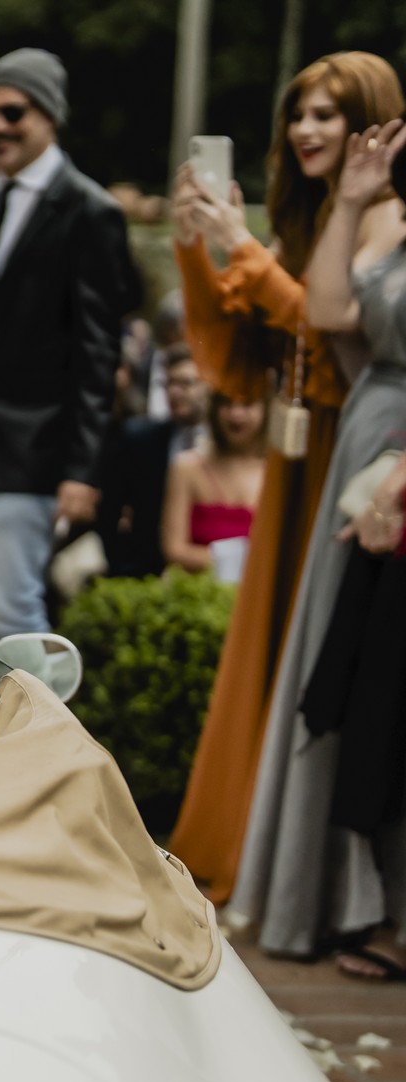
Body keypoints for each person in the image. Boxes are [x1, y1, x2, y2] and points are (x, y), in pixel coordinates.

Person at [165, 52, 404, 906]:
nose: (305, 129)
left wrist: (245, 254)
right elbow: (242, 364)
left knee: (326, 656)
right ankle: (253, 846)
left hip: (358, 452)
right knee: (270, 645)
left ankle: (326, 882)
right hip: (300, 455)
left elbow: (344, 338)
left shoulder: (387, 217)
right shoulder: (311, 223)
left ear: (372, 123)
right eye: (298, 113)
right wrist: (203, 247)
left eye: (328, 114)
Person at [235, 118, 406, 974]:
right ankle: (362, 901)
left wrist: (401, 479)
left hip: (395, 462)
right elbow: (333, 309)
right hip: (372, 446)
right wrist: (350, 198)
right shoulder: (390, 214)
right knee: (363, 679)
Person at [0, 48, 135, 648]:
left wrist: (82, 470)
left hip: (33, 449)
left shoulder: (92, 211)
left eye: (12, 111)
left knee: (11, 607)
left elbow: (99, 353)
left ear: (50, 116)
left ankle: (40, 739)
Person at [95, 346, 208, 578]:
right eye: (169, 384)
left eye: (186, 383)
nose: (175, 392)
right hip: (145, 574)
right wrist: (121, 566)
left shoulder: (227, 450)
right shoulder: (139, 439)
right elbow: (109, 510)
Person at [160, 389, 267, 575]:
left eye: (247, 404)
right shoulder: (186, 468)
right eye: (226, 404)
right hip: (197, 593)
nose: (236, 414)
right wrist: (238, 563)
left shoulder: (276, 475)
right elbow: (174, 550)